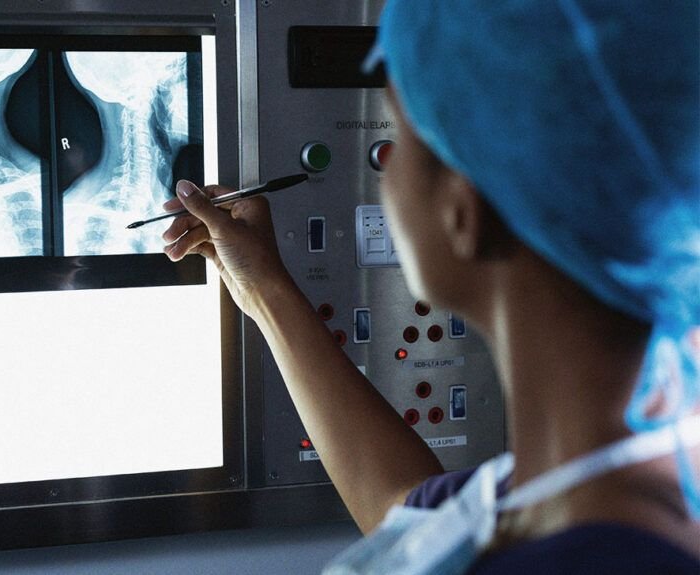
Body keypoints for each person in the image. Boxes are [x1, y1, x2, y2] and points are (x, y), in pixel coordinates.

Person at [160, 0, 700, 572]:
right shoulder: (605, 476)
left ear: (463, 210)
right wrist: (266, 291)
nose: (384, 176)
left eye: (403, 138)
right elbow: (407, 516)